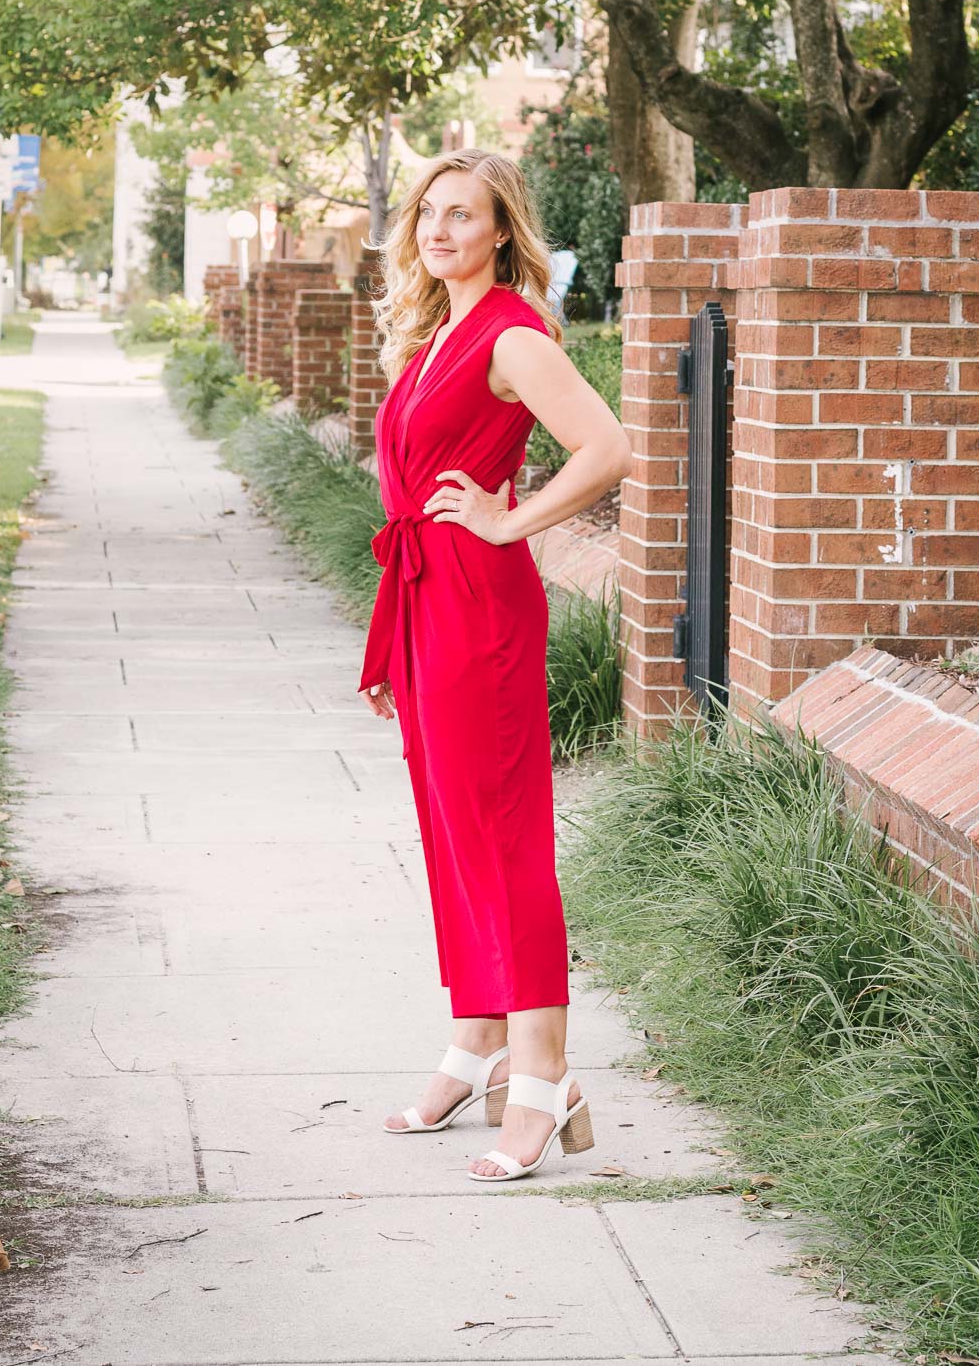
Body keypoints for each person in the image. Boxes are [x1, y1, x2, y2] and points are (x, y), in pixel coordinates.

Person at [358, 147, 632, 1183]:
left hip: (480, 607)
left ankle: (544, 1074)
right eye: (428, 213)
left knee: (505, 832)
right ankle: (475, 1038)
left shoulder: (512, 335)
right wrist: (391, 635)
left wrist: (510, 518)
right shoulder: (433, 332)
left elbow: (605, 446)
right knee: (450, 825)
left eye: (460, 215)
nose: (438, 230)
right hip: (425, 603)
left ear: (500, 230)